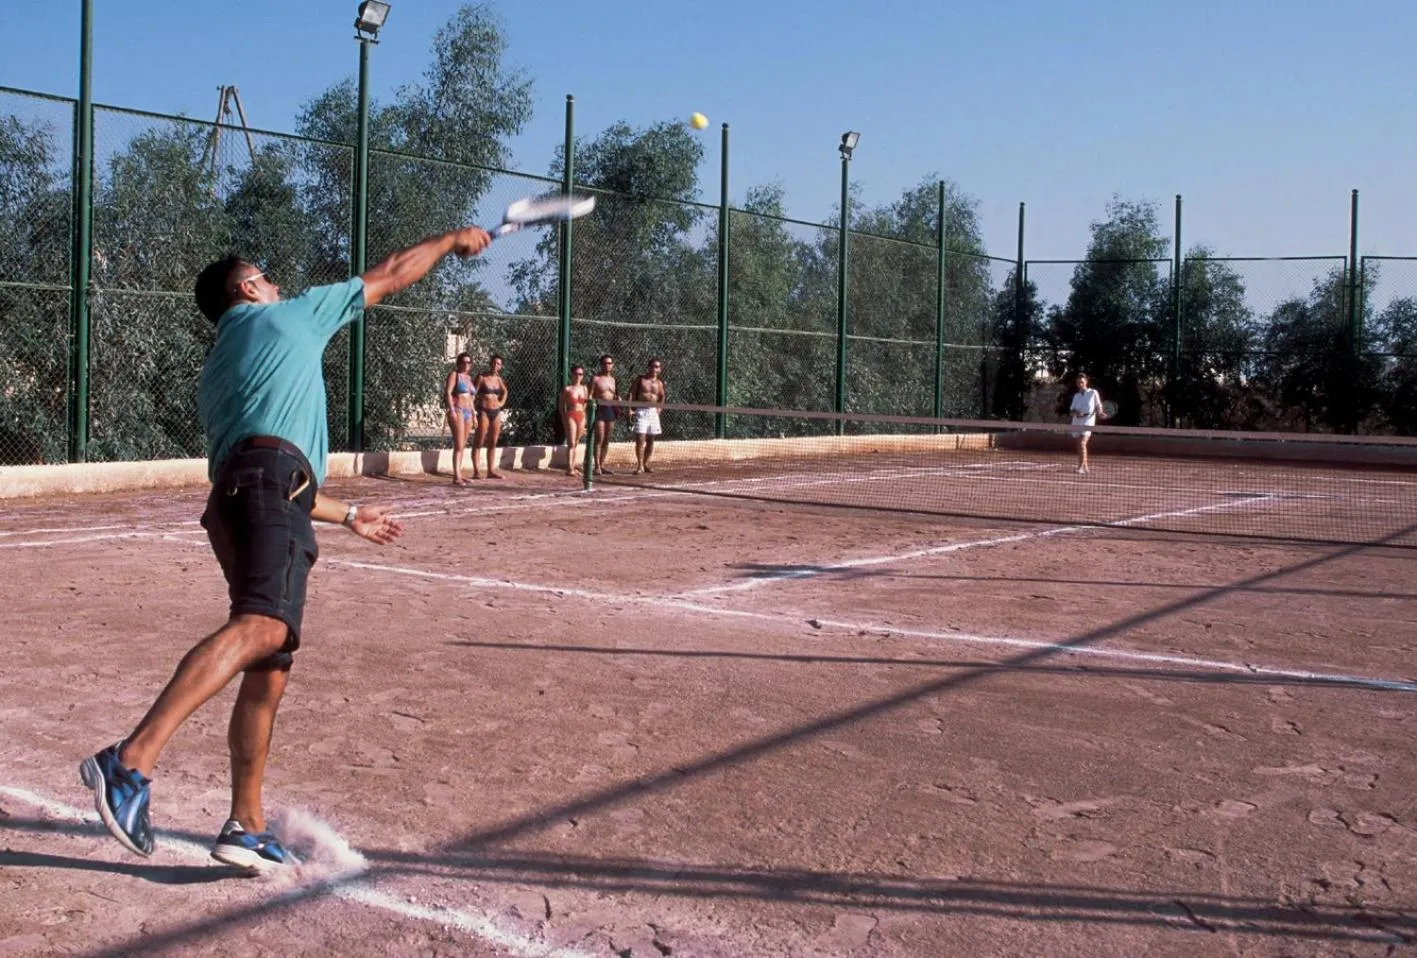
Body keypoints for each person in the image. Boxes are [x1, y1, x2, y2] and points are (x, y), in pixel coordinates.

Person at [79, 225, 492, 873]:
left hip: (250, 494)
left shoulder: (223, 363)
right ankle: (128, 761)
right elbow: (389, 273)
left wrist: (348, 513)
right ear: (249, 289)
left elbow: (265, 460)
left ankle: (246, 824)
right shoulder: (286, 319)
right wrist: (451, 241)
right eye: (268, 278)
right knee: (262, 625)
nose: (278, 285)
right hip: (267, 488)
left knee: (269, 661)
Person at [472, 354, 508, 480]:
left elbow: (505, 391)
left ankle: (491, 470)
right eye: (493, 363)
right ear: (490, 363)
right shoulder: (482, 377)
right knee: (479, 441)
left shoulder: (499, 380)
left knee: (493, 442)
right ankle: (476, 471)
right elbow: (473, 394)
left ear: (501, 366)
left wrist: (501, 403)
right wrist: (472, 412)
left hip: (496, 411)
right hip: (484, 411)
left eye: (498, 364)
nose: (495, 366)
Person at [628, 357, 666, 475]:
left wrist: (659, 408)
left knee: (651, 439)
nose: (655, 369)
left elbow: (662, 396)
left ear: (660, 369)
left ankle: (646, 463)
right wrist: (629, 409)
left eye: (657, 367)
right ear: (648, 367)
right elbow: (631, 394)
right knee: (640, 438)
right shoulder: (640, 380)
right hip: (641, 411)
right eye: (653, 366)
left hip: (653, 412)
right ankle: (639, 466)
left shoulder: (659, 383)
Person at [444, 352, 476, 486]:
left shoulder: (469, 378)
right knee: (458, 445)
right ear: (459, 363)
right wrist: (452, 410)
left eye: (469, 362)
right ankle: (456, 476)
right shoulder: (454, 375)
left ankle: (460, 474)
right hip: (458, 410)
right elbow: (448, 393)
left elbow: (471, 398)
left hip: (469, 412)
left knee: (463, 444)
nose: (466, 364)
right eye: (464, 362)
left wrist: (474, 415)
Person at [1068, 372, 1108, 475]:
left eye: (1082, 381)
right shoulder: (1076, 396)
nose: (1080, 383)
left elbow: (1098, 405)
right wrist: (1077, 413)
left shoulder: (1093, 392)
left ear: (1086, 382)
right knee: (1079, 444)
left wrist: (1100, 413)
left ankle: (1080, 467)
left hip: (1088, 421)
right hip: (1076, 422)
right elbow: (1071, 411)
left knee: (1082, 443)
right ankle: (1085, 467)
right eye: (1078, 382)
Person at [589, 354, 620, 476]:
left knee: (607, 439)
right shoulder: (595, 379)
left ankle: (602, 465)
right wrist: (590, 408)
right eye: (605, 363)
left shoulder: (613, 380)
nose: (607, 365)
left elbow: (615, 395)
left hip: (610, 410)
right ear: (601, 365)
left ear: (612, 365)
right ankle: (596, 466)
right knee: (599, 439)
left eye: (609, 363)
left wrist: (618, 399)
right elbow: (590, 394)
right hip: (599, 409)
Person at [558, 365, 589, 477]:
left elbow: (585, 404)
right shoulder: (567, 389)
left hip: (581, 415)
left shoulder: (585, 388)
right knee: (571, 443)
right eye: (576, 374)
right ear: (572, 375)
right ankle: (569, 468)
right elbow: (561, 406)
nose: (578, 376)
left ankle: (573, 465)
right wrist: (563, 418)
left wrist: (584, 416)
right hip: (570, 415)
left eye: (580, 374)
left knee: (576, 443)